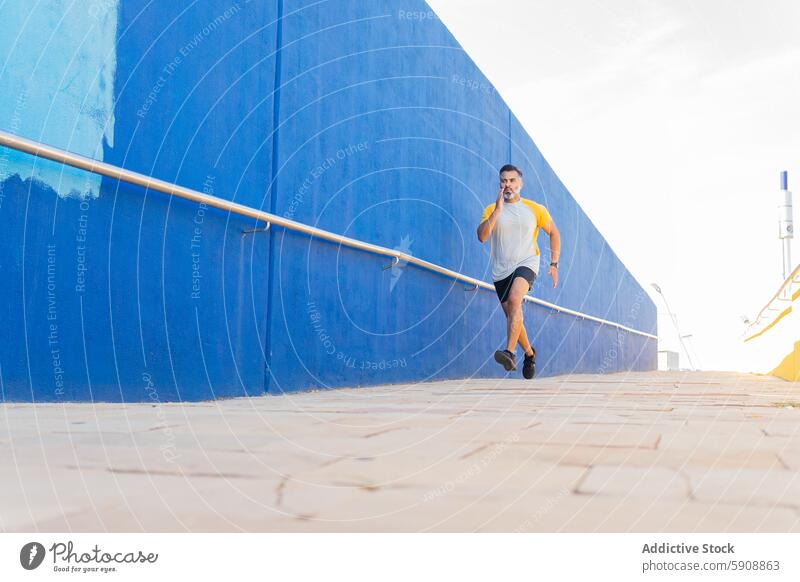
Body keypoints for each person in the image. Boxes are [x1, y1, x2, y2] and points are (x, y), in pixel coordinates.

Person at [477, 164, 560, 378]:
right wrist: (497, 210)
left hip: (527, 263)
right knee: (513, 315)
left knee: (515, 300)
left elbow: (554, 233)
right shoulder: (490, 209)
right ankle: (530, 354)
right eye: (503, 181)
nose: (507, 184)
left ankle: (510, 353)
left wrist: (553, 264)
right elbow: (482, 237)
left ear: (520, 184)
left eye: (512, 180)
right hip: (500, 271)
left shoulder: (535, 209)